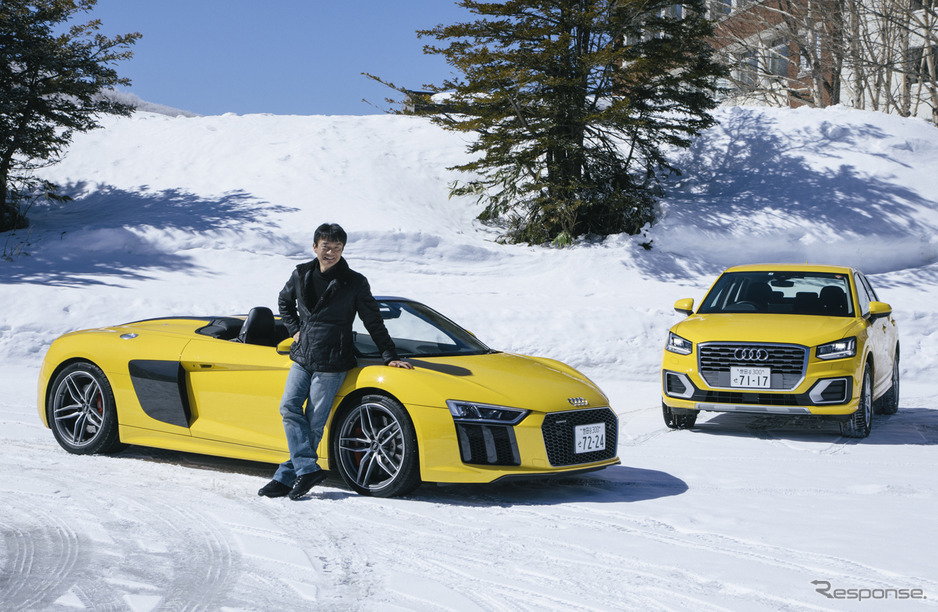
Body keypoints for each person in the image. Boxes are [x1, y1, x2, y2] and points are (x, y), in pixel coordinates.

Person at [258, 223, 413, 500]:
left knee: (314, 421)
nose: (331, 252)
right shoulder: (301, 273)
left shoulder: (354, 282)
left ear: (343, 249)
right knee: (289, 407)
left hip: (333, 359)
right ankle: (306, 469)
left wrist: (390, 356)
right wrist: (294, 329)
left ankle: (285, 478)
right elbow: (284, 302)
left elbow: (373, 321)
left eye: (337, 248)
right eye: (326, 246)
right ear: (315, 246)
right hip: (303, 355)